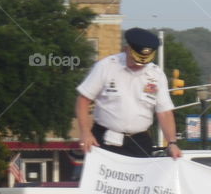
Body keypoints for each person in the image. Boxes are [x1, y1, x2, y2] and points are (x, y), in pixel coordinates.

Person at [76, 28, 183, 159]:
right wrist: (85, 132)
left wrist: (172, 143)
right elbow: (83, 100)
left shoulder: (156, 74)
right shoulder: (106, 66)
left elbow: (165, 112)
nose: (139, 65)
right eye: (135, 60)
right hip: (104, 139)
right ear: (126, 49)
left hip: (139, 142)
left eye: (144, 62)